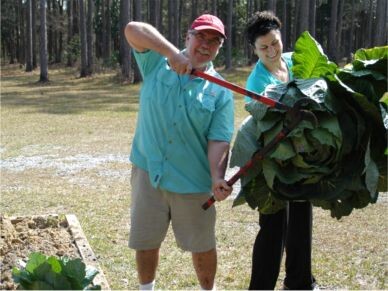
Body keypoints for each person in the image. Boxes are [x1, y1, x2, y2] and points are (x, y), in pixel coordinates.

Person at [125, 14, 234, 290]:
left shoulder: (220, 91)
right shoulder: (155, 63)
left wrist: (217, 177)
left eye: (214, 41)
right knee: (146, 242)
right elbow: (133, 29)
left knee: (203, 246)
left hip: (192, 181)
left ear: (219, 48)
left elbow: (219, 140)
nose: (206, 45)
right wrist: (171, 53)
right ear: (188, 36)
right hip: (149, 172)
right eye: (201, 37)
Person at [244, 11, 317, 290]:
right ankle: (261, 286)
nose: (272, 51)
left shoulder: (292, 62)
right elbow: (266, 125)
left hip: (303, 157)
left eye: (275, 42)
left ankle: (299, 282)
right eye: (264, 47)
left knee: (302, 220)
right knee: (273, 227)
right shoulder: (257, 82)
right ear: (254, 50)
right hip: (274, 160)